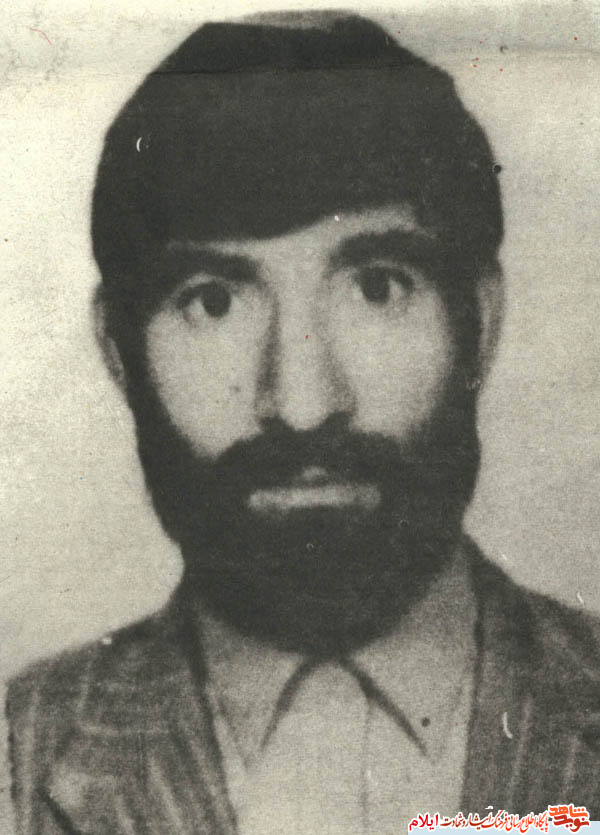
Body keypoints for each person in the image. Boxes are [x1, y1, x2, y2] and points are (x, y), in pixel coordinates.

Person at [6, 11, 600, 835]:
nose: (302, 402)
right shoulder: (16, 754)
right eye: (213, 301)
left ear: (481, 320)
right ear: (117, 349)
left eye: (378, 288)